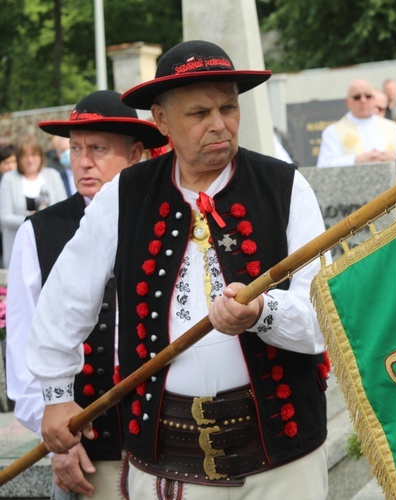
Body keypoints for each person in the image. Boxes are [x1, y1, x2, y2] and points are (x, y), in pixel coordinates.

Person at [27, 39, 330, 499]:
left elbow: (323, 318)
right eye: (198, 114)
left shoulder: (285, 187)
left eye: (228, 108)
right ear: (161, 121)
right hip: (169, 459)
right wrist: (55, 396)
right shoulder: (125, 195)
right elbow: (64, 300)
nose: (219, 125)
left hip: (282, 464)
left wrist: (263, 312)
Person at [6, 89, 168, 499]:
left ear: (135, 155)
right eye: (76, 148)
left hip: (168, 451)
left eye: (98, 148)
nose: (83, 161)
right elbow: (25, 354)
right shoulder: (40, 232)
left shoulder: (166, 223)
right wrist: (59, 439)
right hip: (88, 455)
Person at [317, 78, 396, 179]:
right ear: (347, 102)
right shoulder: (333, 132)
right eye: (357, 97)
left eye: (368, 96)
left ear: (373, 99)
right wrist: (356, 160)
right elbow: (324, 167)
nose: (363, 100)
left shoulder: (392, 127)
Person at [0, 135, 66, 267]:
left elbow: (64, 208)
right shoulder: (9, 179)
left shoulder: (52, 175)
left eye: (34, 155)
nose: (30, 160)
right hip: (19, 250)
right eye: (25, 156)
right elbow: (4, 217)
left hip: (50, 248)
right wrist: (30, 219)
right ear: (18, 159)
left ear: (41, 156)